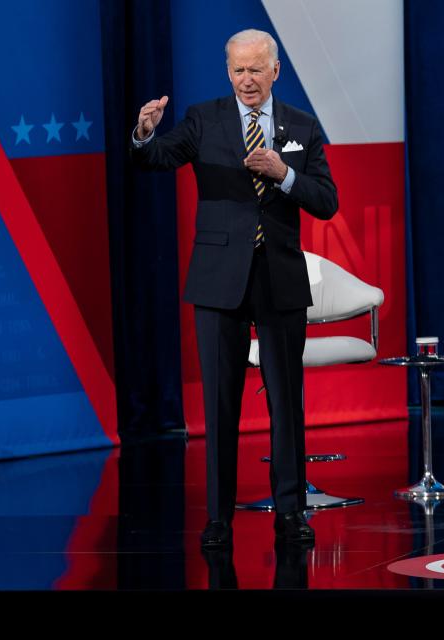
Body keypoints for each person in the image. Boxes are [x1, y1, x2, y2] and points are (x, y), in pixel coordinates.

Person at [130, 29, 338, 549]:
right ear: (228, 72)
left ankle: (291, 513)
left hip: (279, 278)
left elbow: (326, 201)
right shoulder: (204, 119)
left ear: (275, 71)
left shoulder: (303, 127)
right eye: (238, 70)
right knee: (221, 406)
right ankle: (218, 519)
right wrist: (144, 133)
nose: (247, 79)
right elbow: (155, 160)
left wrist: (284, 173)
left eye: (255, 69)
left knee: (287, 402)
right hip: (219, 279)